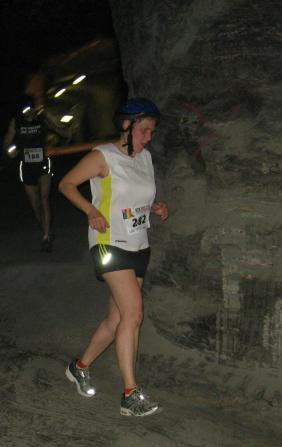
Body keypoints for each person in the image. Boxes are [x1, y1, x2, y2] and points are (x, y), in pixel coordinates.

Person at [58, 98, 169, 417]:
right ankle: (130, 394)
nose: (149, 137)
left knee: (118, 318)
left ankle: (79, 367)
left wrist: (155, 207)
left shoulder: (145, 158)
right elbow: (66, 184)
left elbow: (135, 199)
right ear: (126, 125)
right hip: (108, 243)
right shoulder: (103, 156)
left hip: (138, 245)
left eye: (152, 131)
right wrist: (90, 210)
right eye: (144, 130)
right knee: (134, 314)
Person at [3, 94, 54, 252]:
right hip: (26, 166)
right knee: (35, 204)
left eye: (29, 109)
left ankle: (46, 236)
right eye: (24, 110)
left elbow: (62, 131)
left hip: (43, 163)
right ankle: (45, 229)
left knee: (44, 199)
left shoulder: (42, 119)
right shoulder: (16, 122)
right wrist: (10, 150)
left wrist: (59, 131)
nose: (27, 112)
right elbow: (7, 142)